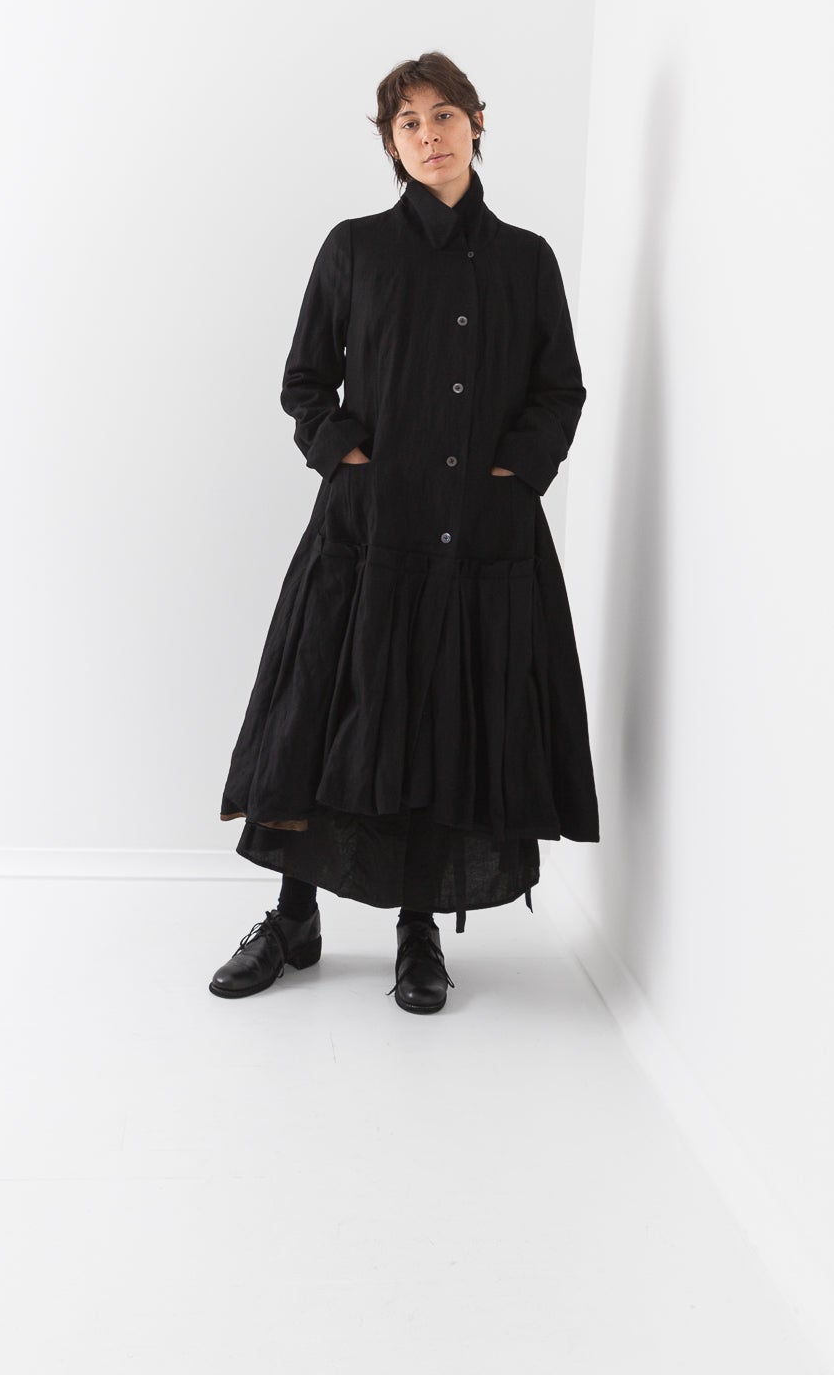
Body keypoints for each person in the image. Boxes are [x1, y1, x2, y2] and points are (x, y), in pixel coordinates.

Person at [211, 52, 599, 1013]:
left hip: (478, 545)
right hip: (366, 538)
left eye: (444, 115)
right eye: (408, 123)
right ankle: (292, 917)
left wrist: (514, 473)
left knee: (441, 725)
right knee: (321, 717)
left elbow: (559, 390)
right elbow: (305, 381)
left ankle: (417, 930)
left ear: (477, 122)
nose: (429, 136)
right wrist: (348, 460)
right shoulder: (355, 250)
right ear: (390, 143)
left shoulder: (526, 261)